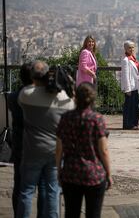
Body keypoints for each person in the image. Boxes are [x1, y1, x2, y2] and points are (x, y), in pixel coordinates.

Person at [17, 60, 75, 218]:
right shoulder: (64, 100)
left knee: (27, 191)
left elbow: (27, 91)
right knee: (53, 191)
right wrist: (68, 85)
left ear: (33, 77)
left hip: (32, 150)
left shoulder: (26, 95)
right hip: (55, 151)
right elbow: (73, 106)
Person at [56, 82, 112, 218]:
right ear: (93, 99)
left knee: (71, 213)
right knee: (93, 214)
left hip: (71, 172)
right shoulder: (97, 119)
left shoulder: (66, 118)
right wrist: (108, 173)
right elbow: (103, 150)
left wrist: (58, 170)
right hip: (94, 174)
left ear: (75, 97)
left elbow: (59, 148)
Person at [8, 63, 46, 218]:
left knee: (20, 186)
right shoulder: (40, 97)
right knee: (43, 188)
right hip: (39, 147)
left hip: (20, 146)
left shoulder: (13, 97)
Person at [121, 40, 139, 130]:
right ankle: (127, 124)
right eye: (129, 47)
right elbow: (125, 75)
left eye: (133, 47)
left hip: (135, 86)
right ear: (125, 49)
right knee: (129, 107)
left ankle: (134, 123)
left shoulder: (133, 58)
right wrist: (128, 89)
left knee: (134, 106)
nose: (132, 49)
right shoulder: (126, 60)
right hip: (130, 87)